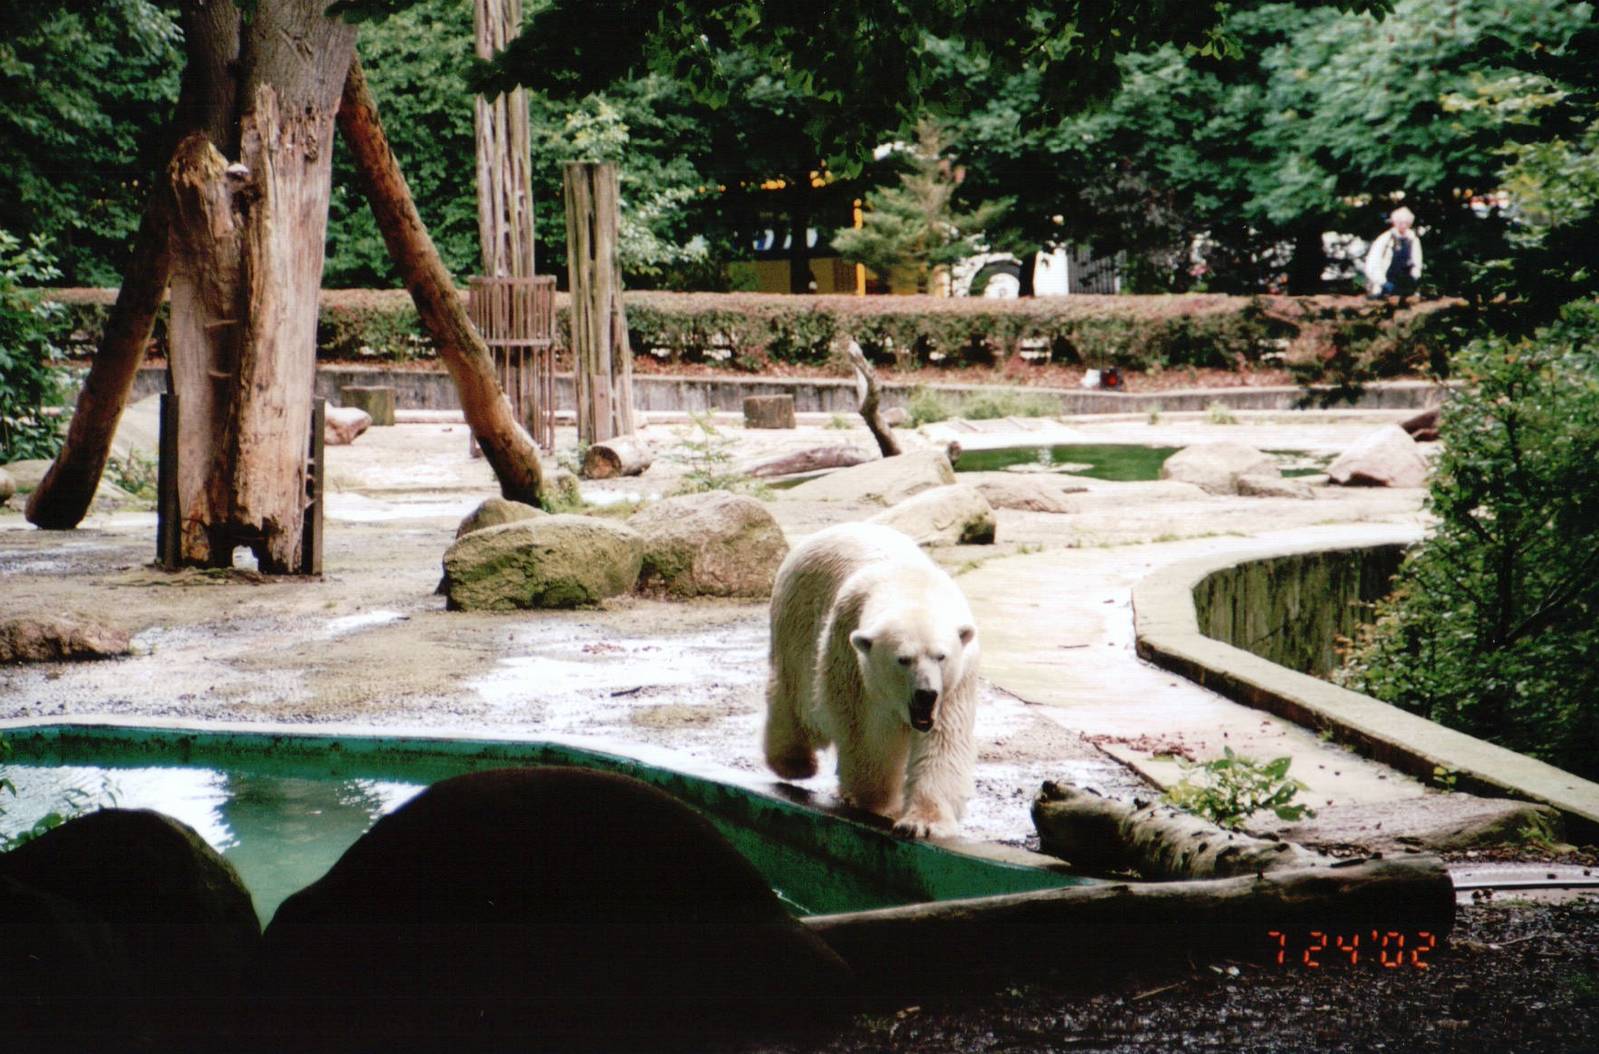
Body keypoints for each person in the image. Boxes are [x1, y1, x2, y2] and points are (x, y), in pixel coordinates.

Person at [1364, 206, 1423, 299]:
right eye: (1400, 222)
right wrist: (1383, 282)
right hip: (1384, 282)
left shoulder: (1413, 239)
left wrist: (1415, 277)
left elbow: (1417, 261)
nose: (1403, 225)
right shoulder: (1385, 239)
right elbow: (1372, 263)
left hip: (1404, 280)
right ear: (1394, 222)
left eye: (1406, 223)